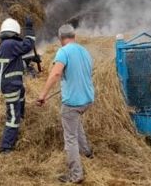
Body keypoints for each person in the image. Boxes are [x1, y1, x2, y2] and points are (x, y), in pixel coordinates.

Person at [36, 24, 95, 184]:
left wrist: (43, 95)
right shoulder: (85, 51)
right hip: (87, 100)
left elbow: (56, 73)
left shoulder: (64, 51)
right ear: (74, 36)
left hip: (73, 102)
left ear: (60, 38)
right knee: (76, 124)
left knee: (70, 138)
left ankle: (76, 175)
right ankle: (87, 152)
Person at [0, 17, 35, 153]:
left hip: (8, 83)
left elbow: (14, 61)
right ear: (15, 33)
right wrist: (29, 29)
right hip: (10, 85)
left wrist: (29, 60)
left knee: (21, 92)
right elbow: (28, 45)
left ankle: (21, 116)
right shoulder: (11, 43)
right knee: (12, 116)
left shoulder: (5, 44)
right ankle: (6, 146)